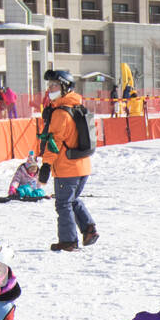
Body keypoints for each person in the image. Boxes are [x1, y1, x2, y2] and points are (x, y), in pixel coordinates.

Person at [39, 68, 99, 252]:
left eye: (55, 85)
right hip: (82, 166)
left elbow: (53, 142)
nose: (51, 89)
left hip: (67, 167)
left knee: (63, 203)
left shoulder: (61, 113)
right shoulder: (76, 106)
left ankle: (68, 241)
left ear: (65, 87)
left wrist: (46, 165)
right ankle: (88, 229)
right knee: (72, 199)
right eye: (49, 85)